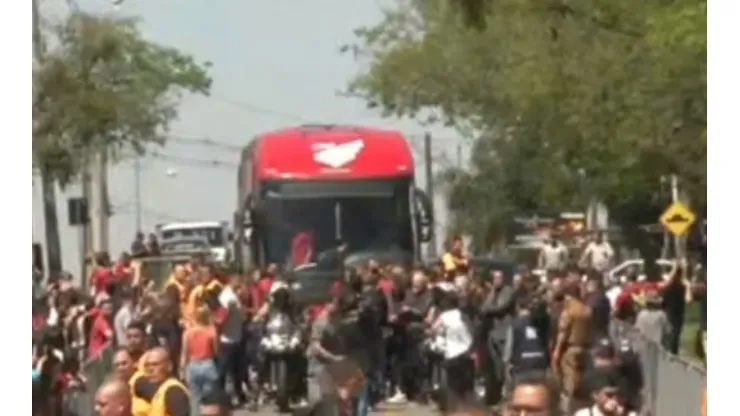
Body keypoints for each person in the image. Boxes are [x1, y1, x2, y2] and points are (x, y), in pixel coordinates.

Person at [430, 289, 475, 410]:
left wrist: (438, 347)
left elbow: (434, 332)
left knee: (451, 388)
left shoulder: (443, 317)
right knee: (466, 389)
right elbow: (471, 334)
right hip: (466, 355)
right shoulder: (463, 316)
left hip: (450, 356)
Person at [552, 282, 592, 413]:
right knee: (581, 382)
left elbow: (563, 332)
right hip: (585, 349)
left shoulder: (569, 311)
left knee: (569, 383)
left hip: (570, 349)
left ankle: (567, 411)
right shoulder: (587, 310)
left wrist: (557, 351)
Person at [480, 268, 517, 405]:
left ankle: (508, 396)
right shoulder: (491, 292)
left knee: (507, 364)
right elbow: (483, 308)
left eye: (499, 278)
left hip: (505, 331)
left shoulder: (508, 291)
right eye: (494, 278)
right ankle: (496, 396)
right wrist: (489, 307)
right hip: (493, 333)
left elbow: (500, 308)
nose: (497, 281)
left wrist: (489, 309)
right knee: (496, 368)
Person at [215, 274, 247, 405]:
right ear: (231, 281)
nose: (239, 283)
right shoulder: (227, 297)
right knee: (224, 370)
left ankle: (238, 395)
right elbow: (221, 316)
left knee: (237, 370)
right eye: (238, 281)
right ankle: (219, 397)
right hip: (227, 340)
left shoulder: (234, 296)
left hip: (236, 337)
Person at [133, 347, 191, 416]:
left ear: (169, 366)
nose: (150, 369)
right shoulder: (162, 390)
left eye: (155, 364)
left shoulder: (173, 390)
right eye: (147, 365)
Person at [180, 306, 220, 407]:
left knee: (194, 399)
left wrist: (182, 370)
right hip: (208, 364)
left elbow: (184, 353)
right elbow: (216, 350)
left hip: (193, 364)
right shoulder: (212, 331)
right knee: (210, 399)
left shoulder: (188, 333)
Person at [504, 297, 548, 384]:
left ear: (518, 307)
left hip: (521, 368)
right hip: (540, 366)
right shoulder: (541, 322)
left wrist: (506, 365)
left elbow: (508, 350)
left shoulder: (514, 325)